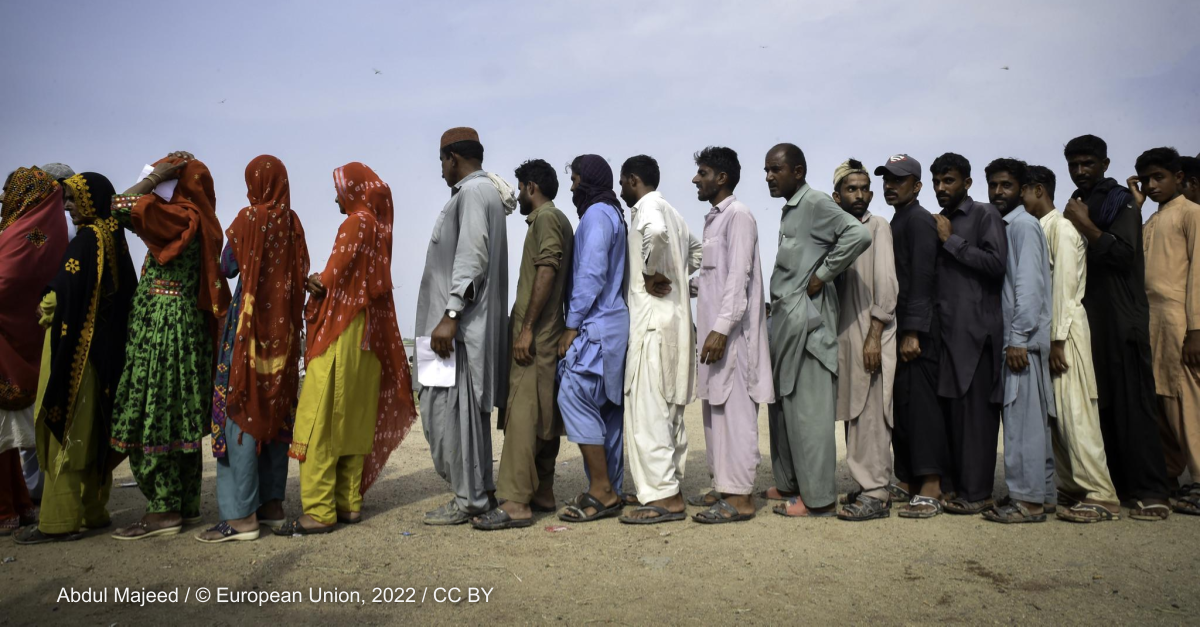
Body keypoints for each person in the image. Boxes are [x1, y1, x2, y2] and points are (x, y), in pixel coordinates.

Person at [279, 161, 416, 535]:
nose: (335, 197)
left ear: (353, 191)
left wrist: (313, 281)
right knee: (353, 417)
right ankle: (347, 503)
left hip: (343, 329)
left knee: (320, 419)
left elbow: (333, 275)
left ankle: (320, 510)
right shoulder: (377, 226)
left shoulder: (356, 221)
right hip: (366, 335)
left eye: (339, 189)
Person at [109, 152, 231, 540]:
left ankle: (163, 511)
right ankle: (183, 502)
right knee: (177, 412)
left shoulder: (182, 217)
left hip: (164, 330)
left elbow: (120, 207)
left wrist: (150, 180)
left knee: (152, 407)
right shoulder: (203, 220)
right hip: (184, 329)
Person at [15, 173, 136, 544]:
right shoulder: (112, 236)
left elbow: (59, 295)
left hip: (76, 356)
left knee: (63, 430)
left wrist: (44, 305)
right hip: (103, 358)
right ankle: (93, 510)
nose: (66, 207)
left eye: (72, 199)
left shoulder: (86, 240)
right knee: (92, 431)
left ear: (89, 200)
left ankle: (58, 521)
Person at [197, 156, 310, 542]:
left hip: (247, 332)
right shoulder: (293, 224)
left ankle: (241, 516)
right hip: (283, 337)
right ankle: (272, 507)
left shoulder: (248, 219)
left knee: (240, 410)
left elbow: (228, 266)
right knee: (275, 410)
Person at [1061, 134, 1172, 521]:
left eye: (1088, 163)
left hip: (1123, 317)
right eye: (1074, 164)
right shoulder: (1079, 202)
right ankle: (1119, 486)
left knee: (1133, 404)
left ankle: (1152, 491)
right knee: (1103, 404)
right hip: (1092, 318)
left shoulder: (1118, 201)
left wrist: (1086, 225)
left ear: (1105, 164)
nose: (1080, 171)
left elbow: (1124, 254)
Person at [763, 143, 871, 518]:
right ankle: (792, 484)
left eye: (776, 169)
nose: (769, 177)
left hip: (809, 325)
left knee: (809, 413)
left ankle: (818, 498)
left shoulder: (816, 203)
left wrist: (822, 276)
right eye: (767, 170)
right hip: (787, 324)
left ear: (798, 170)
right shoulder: (792, 210)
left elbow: (858, 236)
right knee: (786, 409)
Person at [472, 159, 573, 531]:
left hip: (537, 338)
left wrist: (526, 328)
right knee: (543, 417)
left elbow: (546, 268)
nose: (517, 195)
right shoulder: (558, 219)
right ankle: (542, 492)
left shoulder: (546, 219)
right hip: (548, 335)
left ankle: (515, 503)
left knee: (522, 418)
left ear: (532, 187)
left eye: (519, 187)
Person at [417, 127, 510, 525]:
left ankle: (468, 499)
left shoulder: (473, 193)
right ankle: (480, 490)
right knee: (464, 416)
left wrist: (451, 316)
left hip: (456, 331)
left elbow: (471, 258)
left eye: (441, 160)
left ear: (453, 157)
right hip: (455, 328)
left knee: (449, 415)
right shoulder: (480, 193)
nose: (440, 170)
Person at [1021, 165, 1121, 523]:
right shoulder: (1039, 227)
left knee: (1076, 414)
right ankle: (1074, 487)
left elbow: (1064, 286)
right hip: (1049, 334)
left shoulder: (1062, 228)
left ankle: (1101, 494)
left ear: (1036, 190)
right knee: (1056, 418)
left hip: (1065, 334)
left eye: (1020, 191)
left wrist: (1058, 340)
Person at [687, 147, 774, 524]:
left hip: (733, 339)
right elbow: (711, 279)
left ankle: (740, 498)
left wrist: (721, 330)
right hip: (711, 338)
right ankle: (724, 486)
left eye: (702, 173)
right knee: (714, 412)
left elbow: (739, 280)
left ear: (721, 178)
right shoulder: (714, 219)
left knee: (736, 413)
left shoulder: (739, 216)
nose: (695, 179)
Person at [616, 155, 701, 524]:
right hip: (676, 324)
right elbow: (697, 251)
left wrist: (653, 272)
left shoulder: (648, 208)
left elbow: (655, 235)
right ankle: (664, 485)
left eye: (623, 182)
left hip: (651, 326)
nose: (620, 190)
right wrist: (676, 276)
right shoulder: (674, 211)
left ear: (633, 180)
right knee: (669, 414)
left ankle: (665, 496)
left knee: (648, 414)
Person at [929, 152, 1007, 515]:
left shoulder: (984, 215)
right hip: (947, 334)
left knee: (977, 418)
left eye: (949, 181)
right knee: (954, 416)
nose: (942, 188)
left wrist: (952, 241)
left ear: (967, 183)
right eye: (937, 182)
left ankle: (978, 494)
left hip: (978, 335)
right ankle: (958, 488)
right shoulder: (938, 220)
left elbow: (995, 265)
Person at [981, 158, 1057, 524]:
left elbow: (1028, 289)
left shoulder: (1023, 226)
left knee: (1023, 424)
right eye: (993, 185)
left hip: (1021, 344)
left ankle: (1028, 504)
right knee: (1031, 423)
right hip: (1022, 341)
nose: (998, 192)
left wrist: (1017, 340)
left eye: (1007, 186)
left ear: (1025, 189)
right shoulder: (1010, 225)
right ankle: (1041, 496)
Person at [556, 155, 630, 523]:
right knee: (607, 412)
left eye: (574, 179)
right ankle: (609, 490)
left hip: (595, 326)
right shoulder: (614, 214)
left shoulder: (598, 215)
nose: (571, 187)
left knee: (572, 394)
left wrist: (571, 325)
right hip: (613, 327)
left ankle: (601, 488)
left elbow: (591, 272)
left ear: (588, 180)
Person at [875, 154, 949, 518]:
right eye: (886, 179)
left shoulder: (919, 220)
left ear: (917, 186)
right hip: (900, 328)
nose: (890, 185)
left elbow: (922, 278)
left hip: (918, 332)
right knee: (902, 405)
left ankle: (932, 484)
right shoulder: (897, 219)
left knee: (922, 408)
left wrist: (914, 331)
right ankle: (906, 480)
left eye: (899, 180)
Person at [0, 167, 68, 535]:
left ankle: (8, 508)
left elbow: (6, 281)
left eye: (9, 189)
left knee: (4, 433)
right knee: (9, 435)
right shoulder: (47, 230)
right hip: (32, 340)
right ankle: (20, 505)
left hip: (7, 343)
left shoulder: (21, 232)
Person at [829, 159, 898, 522]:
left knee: (872, 414)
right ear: (836, 195)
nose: (860, 195)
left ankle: (876, 492)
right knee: (853, 413)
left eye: (864, 188)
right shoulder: (837, 231)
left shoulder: (879, 227)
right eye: (851, 189)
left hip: (872, 334)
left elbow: (886, 287)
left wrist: (874, 336)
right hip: (845, 336)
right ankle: (865, 481)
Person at [1136, 147, 1200, 517]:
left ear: (1179, 177)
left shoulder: (1191, 215)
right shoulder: (1151, 220)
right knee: (1159, 401)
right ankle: (1172, 476)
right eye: (1146, 178)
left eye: (1159, 177)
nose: (1152, 185)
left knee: (1185, 401)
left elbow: (1197, 278)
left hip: (1180, 319)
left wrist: (1196, 330)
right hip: (1151, 320)